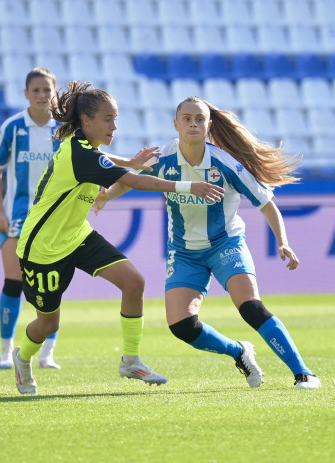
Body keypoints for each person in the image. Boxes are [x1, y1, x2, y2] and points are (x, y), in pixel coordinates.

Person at [93, 96, 321, 390]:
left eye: (199, 119)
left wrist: (283, 242)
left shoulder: (225, 163)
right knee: (182, 327)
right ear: (176, 124)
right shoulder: (161, 158)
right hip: (184, 252)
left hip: (226, 245)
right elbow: (130, 179)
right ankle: (239, 352)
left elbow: (266, 203)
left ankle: (303, 372)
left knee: (251, 307)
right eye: (186, 118)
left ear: (208, 125)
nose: (193, 124)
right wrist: (106, 196)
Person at [11, 81, 225, 395]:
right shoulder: (80, 154)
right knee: (47, 325)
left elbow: (104, 159)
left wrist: (130, 160)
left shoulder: (83, 146)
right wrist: (188, 186)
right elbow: (134, 182)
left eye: (116, 117)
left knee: (133, 282)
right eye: (108, 119)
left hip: (75, 236)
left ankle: (131, 360)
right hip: (42, 247)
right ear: (87, 121)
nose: (115, 125)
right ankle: (22, 358)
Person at [0, 67, 63, 370]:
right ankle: (6, 351)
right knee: (13, 281)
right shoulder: (13, 128)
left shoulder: (64, 130)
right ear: (26, 94)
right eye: (36, 90)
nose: (42, 96)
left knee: (52, 285)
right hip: (18, 218)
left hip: (55, 220)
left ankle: (47, 354)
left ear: (54, 92)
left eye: (47, 90)